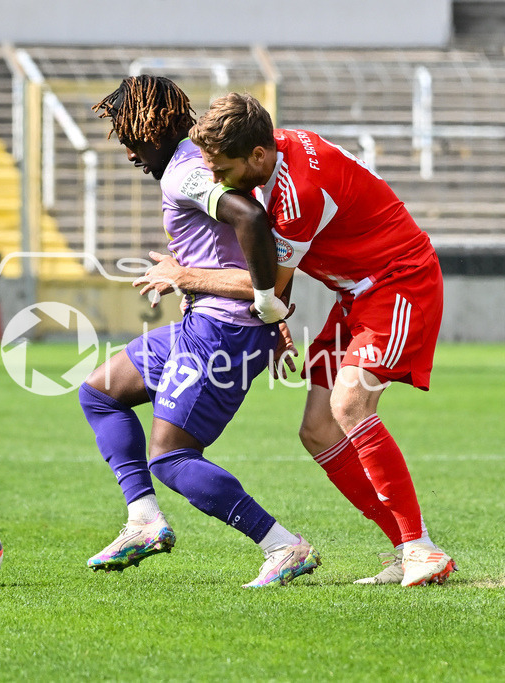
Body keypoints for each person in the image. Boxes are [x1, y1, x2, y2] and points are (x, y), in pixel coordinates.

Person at [137, 92, 456, 587]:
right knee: (318, 429)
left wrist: (186, 275)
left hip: (399, 283)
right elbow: (277, 277)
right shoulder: (275, 156)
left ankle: (419, 547)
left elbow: (268, 284)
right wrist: (272, 305)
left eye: (222, 171)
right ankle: (409, 546)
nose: (217, 182)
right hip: (355, 294)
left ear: (257, 157)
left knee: (350, 404)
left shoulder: (297, 192)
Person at [79, 75, 318, 587]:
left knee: (170, 457)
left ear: (155, 127)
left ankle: (282, 546)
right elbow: (242, 244)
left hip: (222, 334)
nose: (128, 153)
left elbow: (252, 219)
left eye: (130, 138)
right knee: (100, 392)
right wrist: (266, 311)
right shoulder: (194, 164)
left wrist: (262, 306)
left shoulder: (184, 173)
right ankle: (144, 521)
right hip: (205, 325)